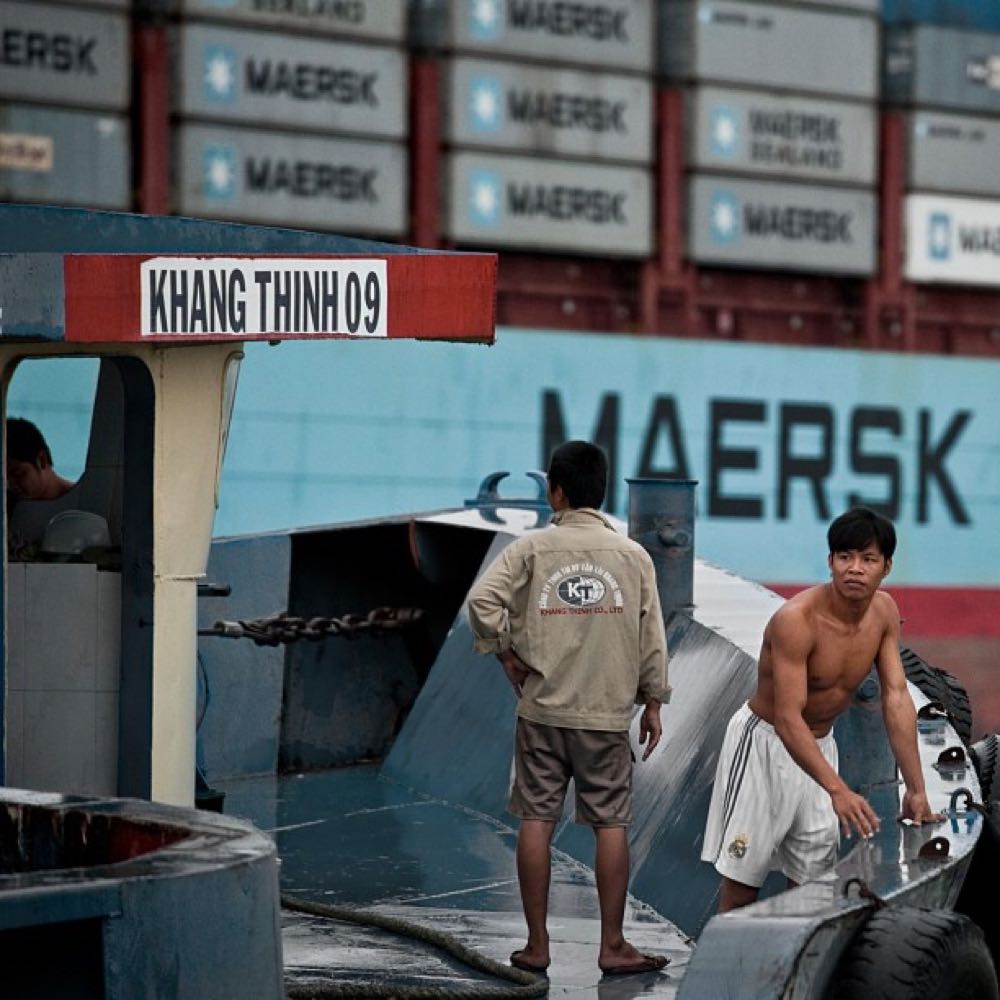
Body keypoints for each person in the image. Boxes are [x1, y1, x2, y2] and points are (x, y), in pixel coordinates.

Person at [467, 440, 670, 976]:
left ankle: (536, 946)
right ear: (601, 494)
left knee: (537, 819)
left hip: (541, 713)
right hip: (604, 718)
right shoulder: (634, 556)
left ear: (554, 491)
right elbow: (653, 637)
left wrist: (506, 651)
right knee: (610, 824)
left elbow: (481, 604)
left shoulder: (531, 551)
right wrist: (653, 701)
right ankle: (613, 945)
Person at [701, 506, 942, 912]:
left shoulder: (884, 613)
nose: (855, 569)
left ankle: (795, 975)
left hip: (820, 747)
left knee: (812, 886)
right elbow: (787, 717)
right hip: (765, 745)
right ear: (830, 562)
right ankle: (726, 974)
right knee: (744, 882)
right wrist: (838, 790)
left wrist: (916, 790)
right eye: (845, 557)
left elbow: (897, 696)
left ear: (886, 567)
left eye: (868, 559)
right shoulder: (796, 621)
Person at [6, 417, 74, 502]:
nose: (10, 485)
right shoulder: (10, 504)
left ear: (42, 460)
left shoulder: (83, 501)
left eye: (18, 474)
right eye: (4, 478)